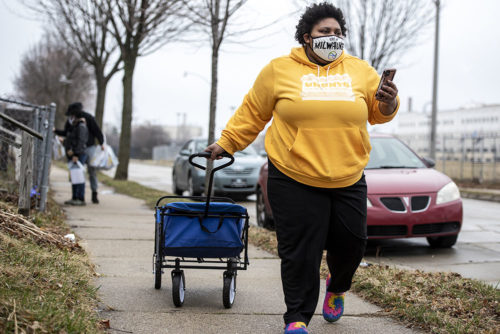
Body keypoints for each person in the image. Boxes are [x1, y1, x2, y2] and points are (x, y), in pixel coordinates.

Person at [205, 3, 399, 333]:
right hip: (293, 174)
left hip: (347, 174)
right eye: (325, 32)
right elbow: (253, 112)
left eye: (338, 33)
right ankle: (297, 317)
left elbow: (378, 113)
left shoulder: (359, 71)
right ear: (307, 37)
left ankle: (336, 287)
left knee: (352, 244)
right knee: (300, 251)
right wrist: (227, 142)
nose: (333, 37)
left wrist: (389, 100)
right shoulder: (280, 70)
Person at [55, 102, 104, 204]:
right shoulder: (71, 121)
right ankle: (76, 196)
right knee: (76, 171)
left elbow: (97, 131)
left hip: (89, 147)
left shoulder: (87, 119)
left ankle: (93, 193)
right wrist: (56, 131)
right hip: (77, 148)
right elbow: (67, 133)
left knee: (91, 171)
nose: (70, 117)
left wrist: (101, 142)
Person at [62, 108, 88, 205]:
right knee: (74, 176)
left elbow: (81, 141)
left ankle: (80, 198)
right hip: (75, 154)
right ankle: (75, 197)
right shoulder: (75, 126)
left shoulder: (81, 127)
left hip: (79, 154)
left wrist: (76, 154)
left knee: (79, 176)